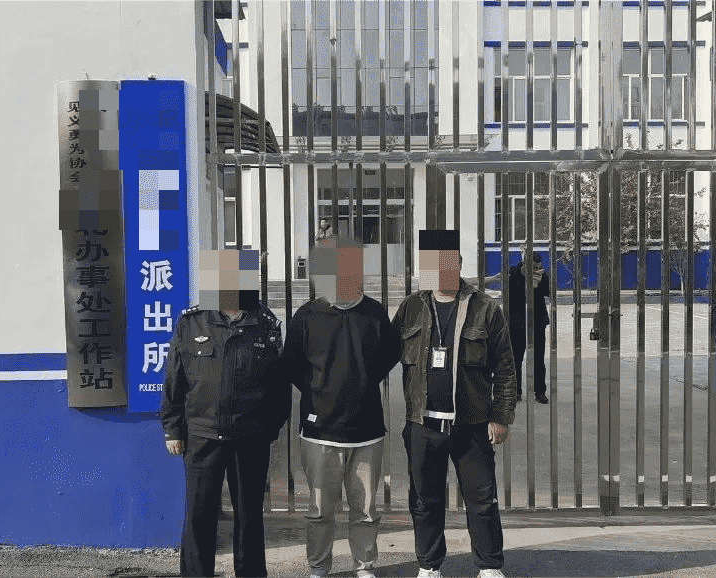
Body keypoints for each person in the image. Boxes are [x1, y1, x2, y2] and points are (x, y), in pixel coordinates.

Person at [390, 229, 517, 578]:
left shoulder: (485, 308)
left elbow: (505, 367)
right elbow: (383, 355)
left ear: (459, 265)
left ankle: (489, 566)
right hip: (423, 424)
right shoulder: (412, 307)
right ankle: (429, 565)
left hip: (471, 424)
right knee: (425, 501)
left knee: (482, 500)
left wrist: (501, 416)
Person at [159, 249, 290, 578]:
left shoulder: (265, 323)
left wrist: (269, 429)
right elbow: (175, 379)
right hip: (203, 435)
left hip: (250, 437)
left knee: (249, 515)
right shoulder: (192, 321)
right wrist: (173, 429)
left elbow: (279, 385)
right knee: (198, 515)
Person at [282, 235, 397, 578]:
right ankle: (319, 567)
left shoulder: (374, 313)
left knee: (365, 509)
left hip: (367, 430)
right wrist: (320, 390)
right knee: (320, 510)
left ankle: (364, 566)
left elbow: (389, 356)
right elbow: (292, 366)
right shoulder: (307, 315)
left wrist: (361, 383)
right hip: (319, 432)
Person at [508, 252, 550, 404]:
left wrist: (539, 284)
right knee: (515, 359)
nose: (536, 270)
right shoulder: (513, 273)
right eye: (533, 267)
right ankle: (515, 392)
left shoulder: (542, 275)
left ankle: (540, 392)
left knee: (538, 359)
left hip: (537, 322)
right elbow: (509, 295)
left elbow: (549, 292)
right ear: (524, 264)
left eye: (538, 267)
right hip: (517, 323)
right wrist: (527, 285)